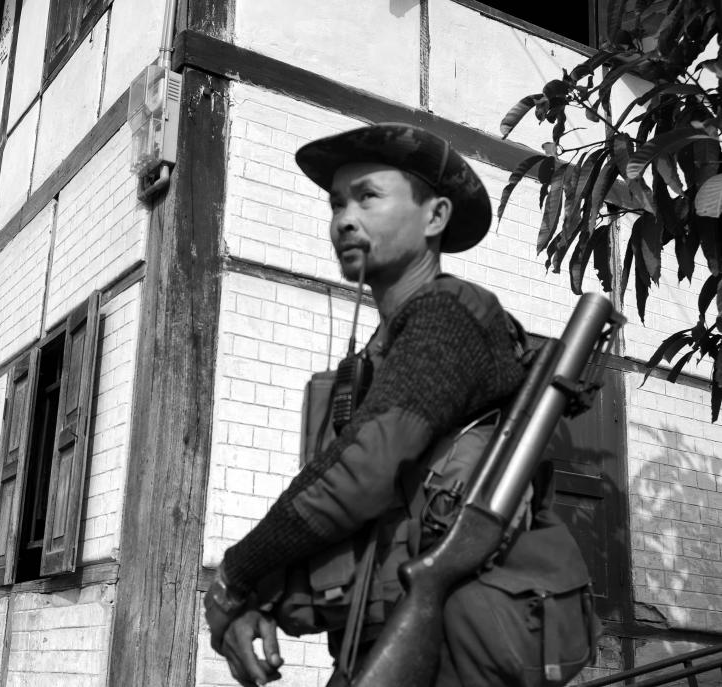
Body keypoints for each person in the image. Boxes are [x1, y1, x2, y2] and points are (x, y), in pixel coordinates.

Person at [204, 123, 530, 686]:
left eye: (368, 196)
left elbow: (365, 471)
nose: (344, 220)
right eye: (336, 203)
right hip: (382, 647)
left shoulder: (449, 315)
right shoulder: (386, 344)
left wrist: (235, 578)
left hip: (449, 655)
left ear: (435, 218)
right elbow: (367, 524)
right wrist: (260, 600)